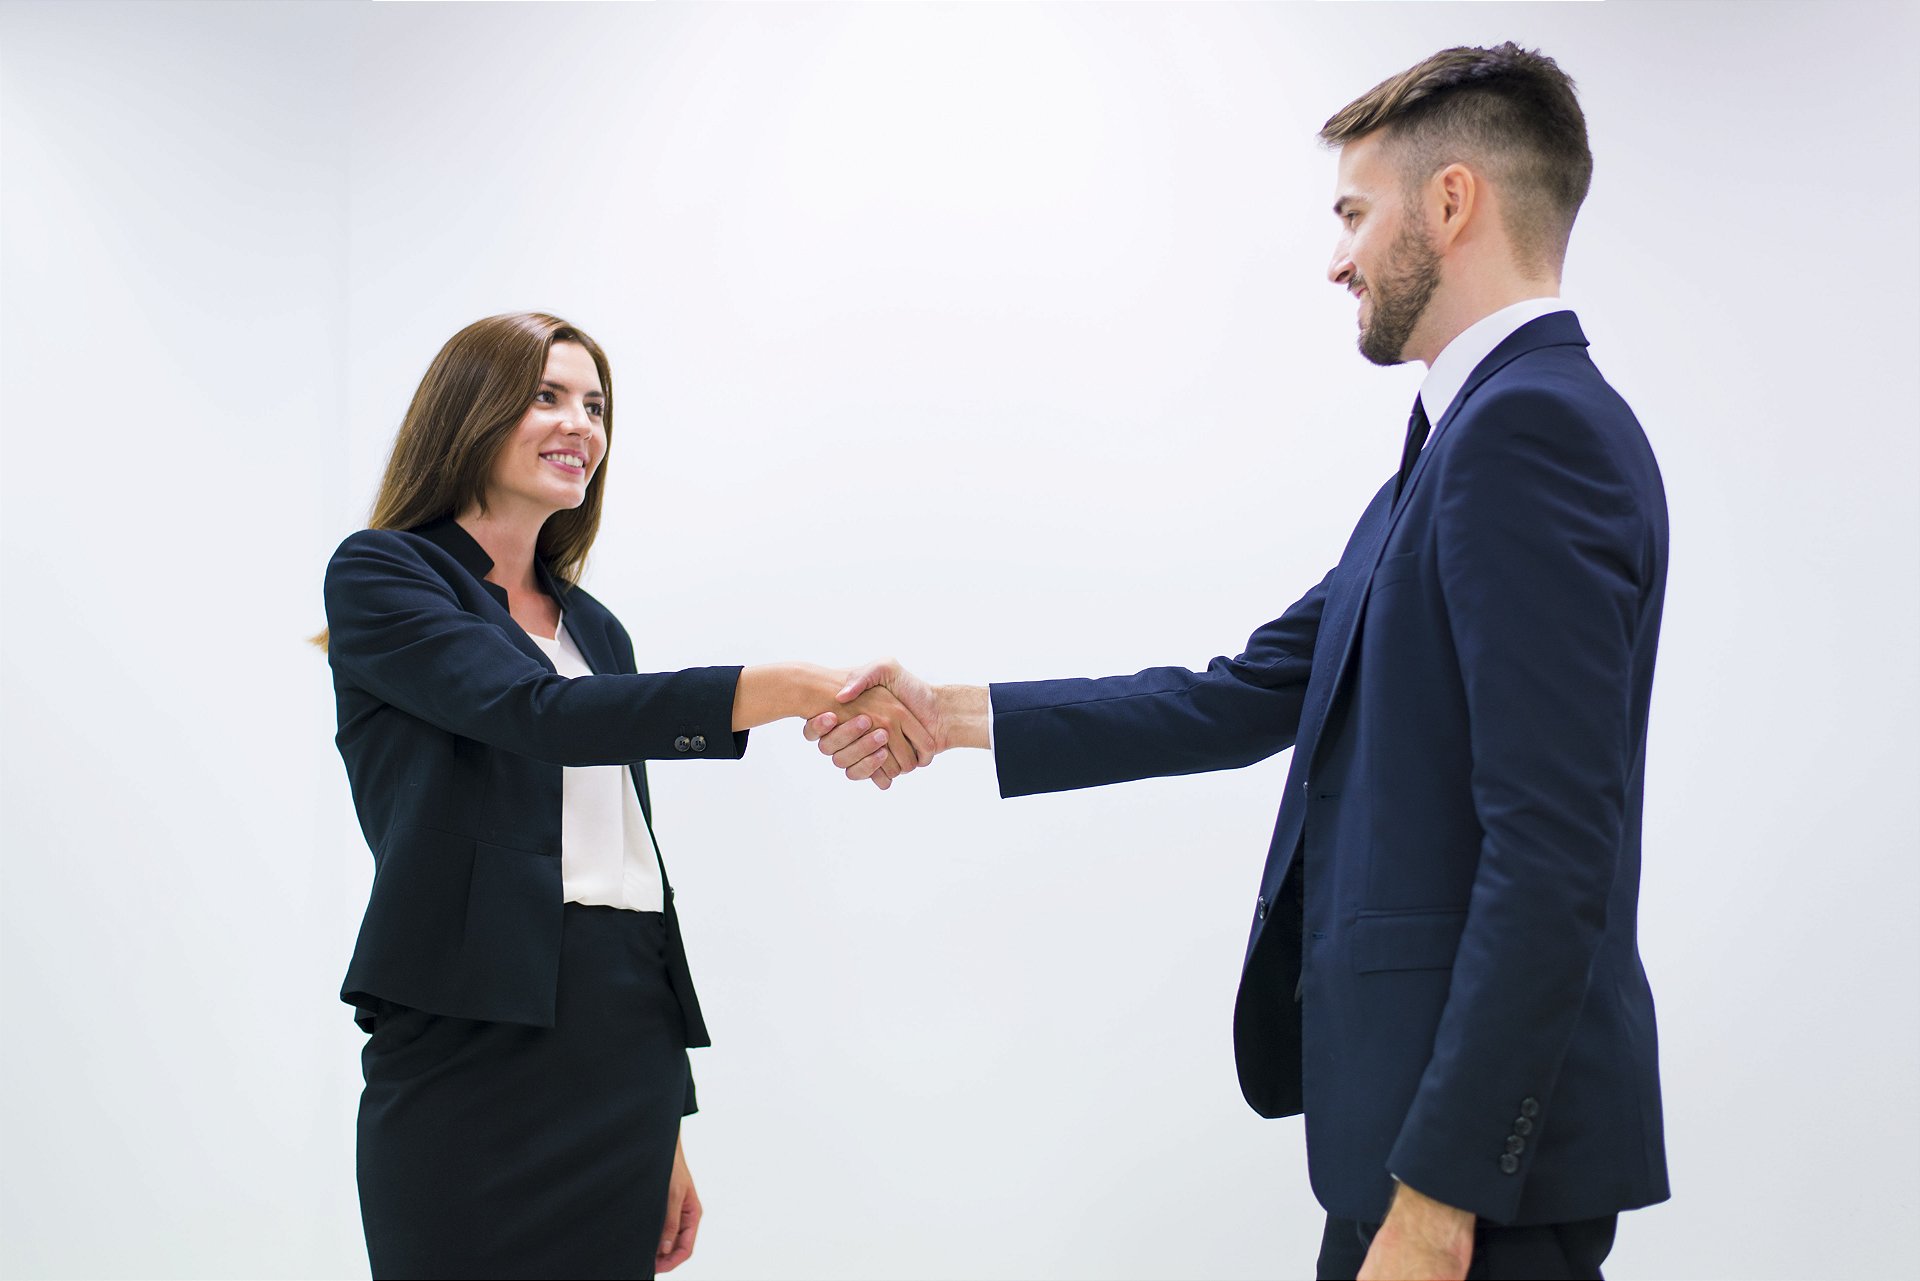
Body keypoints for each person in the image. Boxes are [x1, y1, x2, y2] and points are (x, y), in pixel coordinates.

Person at [807, 44, 1668, 1281]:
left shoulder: (1529, 435)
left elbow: (1553, 850)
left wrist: (1440, 1201)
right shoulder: (1454, 450)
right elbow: (1245, 691)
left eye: (1354, 215)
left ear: (1452, 201)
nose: (1338, 261)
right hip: (1410, 1152)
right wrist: (945, 715)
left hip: (1471, 1181)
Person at [319, 311, 931, 1279]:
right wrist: (790, 689)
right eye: (547, 396)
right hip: (465, 1028)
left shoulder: (593, 626)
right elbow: (533, 711)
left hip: (620, 1039)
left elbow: (628, 868)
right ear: (468, 414)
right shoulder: (386, 572)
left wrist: (668, 1120)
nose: (581, 427)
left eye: (595, 405)